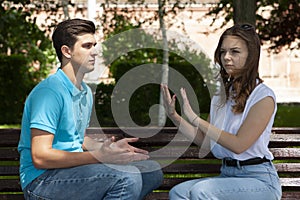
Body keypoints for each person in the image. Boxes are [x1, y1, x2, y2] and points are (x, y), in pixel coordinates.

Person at [18, 18, 163, 200]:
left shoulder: (84, 91)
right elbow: (41, 157)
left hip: (72, 173)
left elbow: (76, 139)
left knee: (151, 172)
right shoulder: (49, 93)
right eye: (87, 46)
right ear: (66, 51)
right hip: (42, 181)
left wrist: (110, 149)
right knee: (127, 178)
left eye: (95, 45)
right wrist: (99, 156)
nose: (95, 52)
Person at [162, 23, 282, 200]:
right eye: (223, 51)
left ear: (251, 56)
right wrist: (174, 115)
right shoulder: (220, 96)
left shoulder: (263, 97)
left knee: (201, 191)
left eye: (235, 52)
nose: (226, 57)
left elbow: (239, 145)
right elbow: (206, 141)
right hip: (228, 176)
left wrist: (196, 119)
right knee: (178, 193)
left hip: (259, 180)